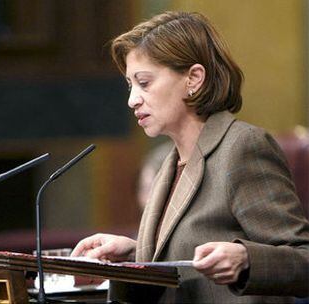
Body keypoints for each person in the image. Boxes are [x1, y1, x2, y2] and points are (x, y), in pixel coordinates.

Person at [71, 11, 309, 303]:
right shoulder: (169, 163)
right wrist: (135, 253)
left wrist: (247, 259)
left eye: (144, 83)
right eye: (130, 86)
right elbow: (192, 250)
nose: (132, 100)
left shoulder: (242, 147)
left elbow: (302, 259)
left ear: (194, 78)